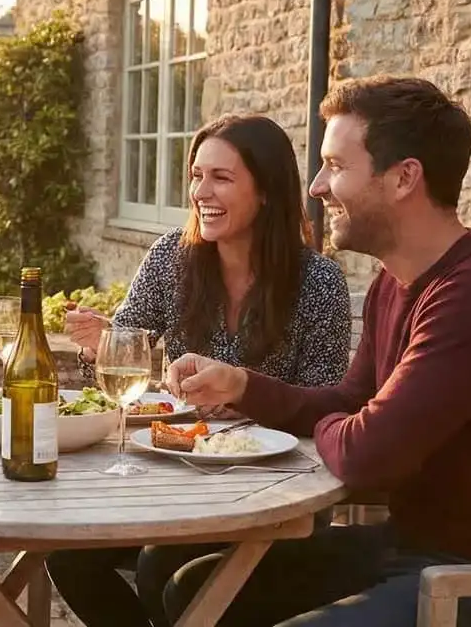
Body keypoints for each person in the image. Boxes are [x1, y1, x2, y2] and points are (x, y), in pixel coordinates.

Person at [162, 76, 471, 626]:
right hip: (417, 549)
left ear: (403, 178)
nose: (317, 186)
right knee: (187, 587)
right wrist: (245, 387)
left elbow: (368, 454)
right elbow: (350, 401)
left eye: (336, 166)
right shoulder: (396, 282)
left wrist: (348, 423)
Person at [46, 113, 353, 627]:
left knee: (161, 563)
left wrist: (240, 395)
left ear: (268, 192)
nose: (200, 191)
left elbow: (324, 405)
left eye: (222, 178)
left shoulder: (318, 282)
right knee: (66, 556)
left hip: (270, 489)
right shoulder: (172, 257)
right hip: (172, 476)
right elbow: (123, 363)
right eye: (196, 175)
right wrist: (102, 348)